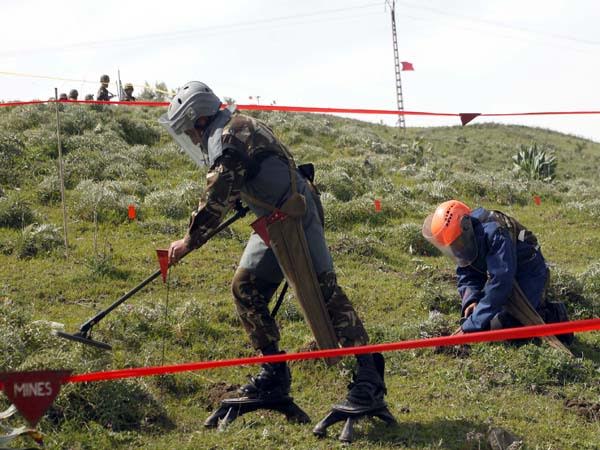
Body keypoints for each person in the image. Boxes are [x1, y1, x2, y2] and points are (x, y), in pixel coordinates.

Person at [159, 81, 387, 421]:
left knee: (321, 290)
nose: (191, 138)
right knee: (245, 287)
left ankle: (368, 378)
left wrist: (188, 241)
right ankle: (273, 376)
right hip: (273, 220)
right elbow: (238, 182)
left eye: (190, 130)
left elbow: (216, 196)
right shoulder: (228, 130)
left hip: (296, 215)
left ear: (200, 118)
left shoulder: (228, 136)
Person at [422, 200, 572, 342]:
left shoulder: (495, 233)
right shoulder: (466, 239)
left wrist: (471, 326)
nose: (457, 249)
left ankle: (554, 315)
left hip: (529, 272)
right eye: (453, 246)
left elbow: (500, 282)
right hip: (506, 271)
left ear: (466, 227)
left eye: (457, 243)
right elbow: (468, 272)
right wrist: (471, 300)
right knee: (489, 323)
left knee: (512, 328)